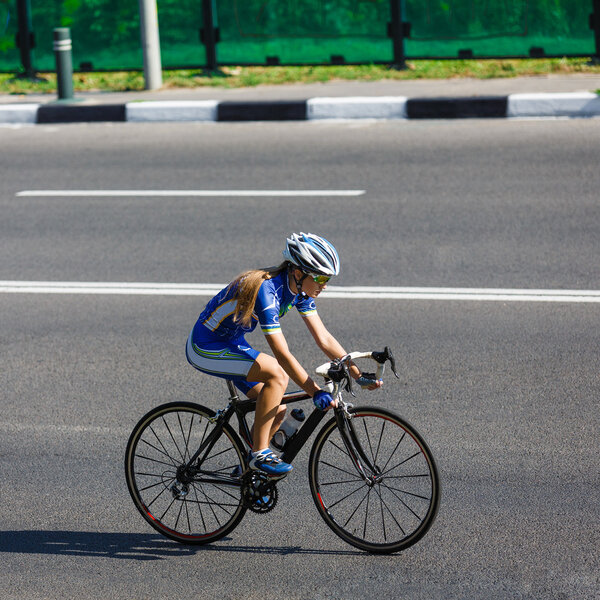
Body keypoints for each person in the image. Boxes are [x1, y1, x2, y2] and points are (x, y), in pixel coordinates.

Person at [186, 232, 382, 478]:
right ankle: (259, 455)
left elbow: (324, 337)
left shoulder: (299, 291)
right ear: (298, 273)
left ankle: (247, 474)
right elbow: (281, 353)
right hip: (206, 346)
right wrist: (315, 391)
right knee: (276, 375)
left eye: (327, 279)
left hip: (232, 342)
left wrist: (356, 373)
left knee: (276, 408)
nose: (324, 285)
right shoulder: (266, 291)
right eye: (320, 278)